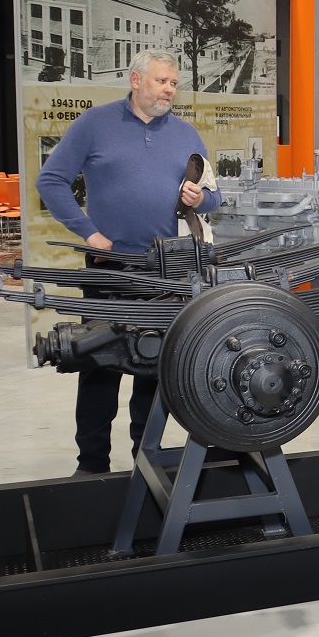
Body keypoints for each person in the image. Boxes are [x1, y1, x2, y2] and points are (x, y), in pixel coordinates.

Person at [37, 48, 219, 475]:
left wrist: (200, 197)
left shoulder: (187, 135)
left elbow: (215, 196)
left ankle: (146, 457)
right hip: (110, 268)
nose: (169, 90)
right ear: (136, 80)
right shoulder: (94, 124)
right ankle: (92, 464)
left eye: (173, 83)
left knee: (154, 366)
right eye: (161, 81)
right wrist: (88, 233)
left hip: (167, 270)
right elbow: (51, 180)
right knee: (98, 364)